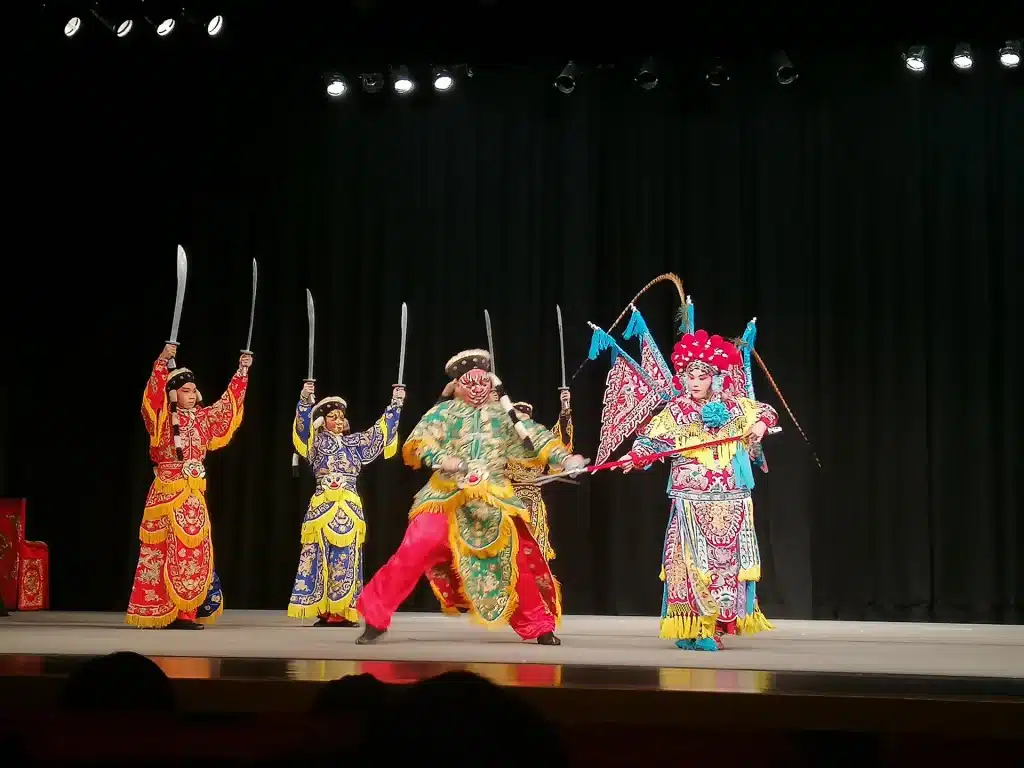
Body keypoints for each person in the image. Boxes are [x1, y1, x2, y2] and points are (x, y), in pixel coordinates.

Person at [355, 349, 588, 646]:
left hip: (491, 497)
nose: (478, 389)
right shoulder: (443, 412)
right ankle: (375, 616)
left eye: (483, 383)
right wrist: (441, 458)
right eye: (470, 383)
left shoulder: (505, 416)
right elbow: (420, 440)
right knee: (414, 549)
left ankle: (538, 625)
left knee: (513, 559)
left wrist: (566, 460)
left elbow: (536, 437)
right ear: (458, 385)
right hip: (444, 495)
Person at [621, 329, 778, 651]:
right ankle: (692, 625)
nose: (694, 382)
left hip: (731, 497)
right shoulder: (676, 411)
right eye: (689, 375)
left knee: (727, 564)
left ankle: (715, 626)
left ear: (715, 378)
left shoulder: (735, 407)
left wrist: (760, 427)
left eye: (702, 376)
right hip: (691, 499)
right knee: (690, 563)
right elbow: (650, 440)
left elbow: (766, 412)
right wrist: (635, 457)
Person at [126, 343, 251, 629]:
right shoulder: (162, 420)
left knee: (194, 551)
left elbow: (227, 405)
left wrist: (242, 371)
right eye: (185, 390)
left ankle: (186, 612)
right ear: (173, 394)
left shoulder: (203, 418)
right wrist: (162, 362)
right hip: (167, 493)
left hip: (193, 496)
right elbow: (152, 398)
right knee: (164, 551)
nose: (192, 395)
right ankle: (161, 610)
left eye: (194, 390)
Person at [288, 381, 405, 626]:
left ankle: (341, 611)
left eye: (341, 417)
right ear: (323, 421)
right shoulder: (317, 444)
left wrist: (395, 404)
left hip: (349, 507)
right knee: (320, 556)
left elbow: (378, 433)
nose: (339, 421)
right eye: (332, 417)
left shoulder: (353, 443)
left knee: (347, 557)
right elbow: (303, 431)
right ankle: (323, 609)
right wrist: (305, 401)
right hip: (322, 507)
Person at [506, 389, 574, 561]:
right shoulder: (500, 442)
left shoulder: (540, 443)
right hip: (506, 500)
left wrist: (565, 409)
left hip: (532, 501)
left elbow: (560, 443)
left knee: (534, 551)